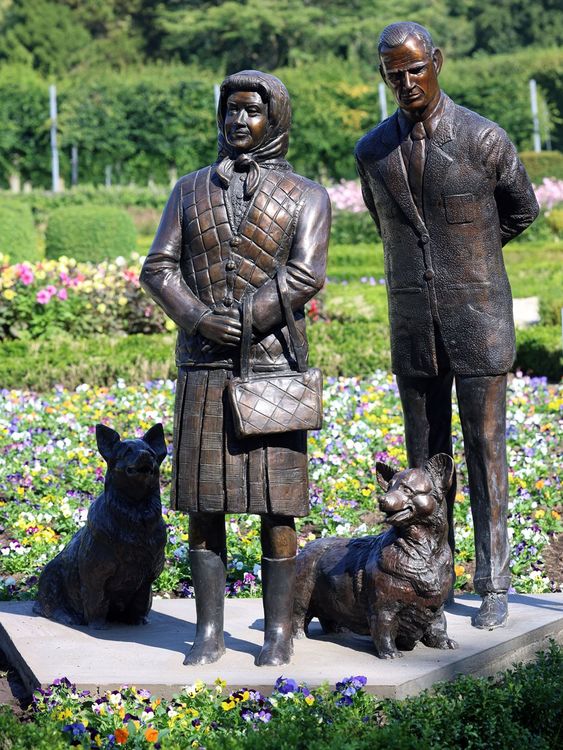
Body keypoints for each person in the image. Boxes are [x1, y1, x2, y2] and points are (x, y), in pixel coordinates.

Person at [140, 70, 330, 665]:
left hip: (271, 367)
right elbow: (159, 268)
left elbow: (304, 275)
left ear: (275, 118)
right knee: (205, 504)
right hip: (203, 366)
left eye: (251, 111)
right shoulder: (189, 189)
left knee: (278, 504)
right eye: (230, 111)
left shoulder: (307, 194)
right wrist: (197, 318)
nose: (238, 122)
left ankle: (277, 634)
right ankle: (209, 632)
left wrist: (245, 319)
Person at [355, 22, 539, 629]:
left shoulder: (485, 139)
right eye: (393, 73)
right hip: (413, 324)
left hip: (479, 317)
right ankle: (433, 581)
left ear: (436, 62)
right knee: (422, 463)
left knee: (485, 451)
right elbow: (390, 231)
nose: (405, 82)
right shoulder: (373, 151)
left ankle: (494, 581)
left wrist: (476, 258)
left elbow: (522, 209)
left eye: (414, 69)